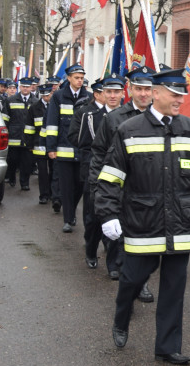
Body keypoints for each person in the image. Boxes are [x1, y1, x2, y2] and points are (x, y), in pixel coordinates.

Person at [96, 68, 190, 365]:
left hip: (181, 223)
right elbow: (111, 176)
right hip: (142, 221)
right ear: (156, 93)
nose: (180, 100)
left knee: (174, 289)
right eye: (175, 95)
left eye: (182, 96)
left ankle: (167, 347)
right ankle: (121, 318)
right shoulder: (130, 129)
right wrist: (108, 214)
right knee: (132, 279)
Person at [89, 66, 155, 293]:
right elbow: (99, 152)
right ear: (131, 90)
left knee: (145, 239)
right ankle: (124, 275)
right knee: (122, 237)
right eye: (139, 88)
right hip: (122, 189)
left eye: (148, 89)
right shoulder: (114, 119)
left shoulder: (162, 119)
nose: (144, 94)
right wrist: (97, 185)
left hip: (150, 191)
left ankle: (141, 282)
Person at [72, 73, 123, 270]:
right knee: (93, 218)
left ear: (122, 94)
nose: (112, 96)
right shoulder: (91, 117)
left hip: (119, 175)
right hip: (95, 172)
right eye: (108, 92)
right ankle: (91, 250)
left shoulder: (129, 117)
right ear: (101, 94)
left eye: (116, 92)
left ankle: (114, 263)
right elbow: (83, 144)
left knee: (116, 216)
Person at [46, 64, 92, 232]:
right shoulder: (58, 96)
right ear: (69, 79)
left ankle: (71, 211)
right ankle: (68, 219)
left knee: (80, 184)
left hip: (82, 150)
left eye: (82, 78)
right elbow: (52, 123)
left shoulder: (89, 97)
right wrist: (51, 147)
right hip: (63, 149)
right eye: (77, 78)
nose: (80, 81)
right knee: (65, 185)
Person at [4, 77, 36, 191]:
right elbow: (5, 119)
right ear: (20, 87)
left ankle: (24, 183)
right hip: (14, 137)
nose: (25, 89)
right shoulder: (10, 100)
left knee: (26, 163)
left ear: (31, 88)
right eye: (23, 86)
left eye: (27, 87)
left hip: (28, 137)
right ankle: (12, 177)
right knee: (12, 160)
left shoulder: (35, 101)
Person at [27, 82, 55, 205]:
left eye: (48, 95)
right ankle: (43, 195)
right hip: (39, 144)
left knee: (54, 171)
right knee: (43, 172)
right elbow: (29, 127)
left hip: (53, 144)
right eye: (44, 95)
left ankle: (53, 194)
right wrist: (29, 144)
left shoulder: (56, 106)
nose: (46, 98)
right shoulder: (33, 107)